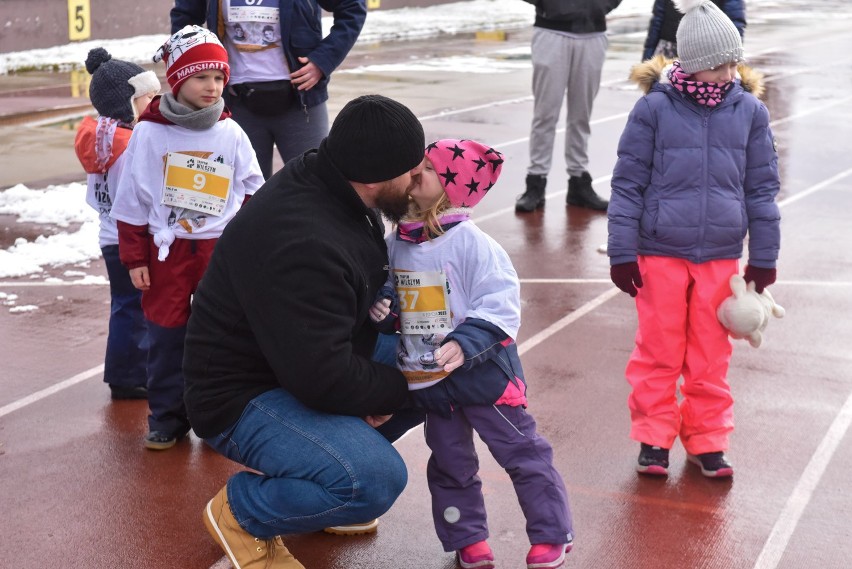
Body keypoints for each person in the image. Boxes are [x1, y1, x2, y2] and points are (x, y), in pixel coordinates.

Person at [183, 94, 427, 569]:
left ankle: (326, 476)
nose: (420, 183)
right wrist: (393, 390)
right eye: (413, 174)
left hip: (298, 360)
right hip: (241, 396)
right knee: (375, 479)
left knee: (436, 369)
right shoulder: (306, 242)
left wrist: (399, 386)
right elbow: (321, 377)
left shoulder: (332, 178)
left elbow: (321, 359)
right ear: (374, 176)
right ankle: (243, 511)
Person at [370, 139, 574, 569]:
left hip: (484, 379)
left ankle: (552, 533)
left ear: (449, 189)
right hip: (430, 380)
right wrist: (382, 306)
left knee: (523, 454)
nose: (414, 172)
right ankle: (468, 540)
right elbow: (396, 301)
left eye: (426, 168)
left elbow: (500, 303)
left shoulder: (472, 244)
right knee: (450, 464)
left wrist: (464, 343)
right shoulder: (398, 243)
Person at [607, 0, 780, 478]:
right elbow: (628, 184)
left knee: (710, 355)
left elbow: (762, 189)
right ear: (689, 64)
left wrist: (763, 258)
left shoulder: (750, 112)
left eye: (732, 62)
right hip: (659, 251)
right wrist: (622, 252)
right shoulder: (653, 110)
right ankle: (653, 438)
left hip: (721, 257)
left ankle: (708, 440)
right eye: (715, 66)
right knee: (658, 350)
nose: (727, 73)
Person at [110, 25, 264, 450]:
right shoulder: (149, 132)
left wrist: (243, 240)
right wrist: (135, 258)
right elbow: (131, 201)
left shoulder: (230, 132)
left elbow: (254, 187)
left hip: (219, 252)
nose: (212, 87)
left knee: (223, 338)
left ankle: (221, 420)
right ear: (177, 79)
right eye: (201, 77)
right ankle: (167, 418)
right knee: (164, 336)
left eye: (219, 78)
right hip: (167, 252)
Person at [170, 0, 367, 180]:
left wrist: (324, 60)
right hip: (236, 102)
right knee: (243, 192)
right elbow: (186, 19)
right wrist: (192, 71)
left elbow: (352, 6)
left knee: (316, 186)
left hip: (301, 99)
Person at [73, 48, 161, 400]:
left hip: (110, 235)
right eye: (147, 98)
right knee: (135, 307)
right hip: (130, 236)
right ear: (125, 103)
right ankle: (128, 377)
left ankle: (126, 372)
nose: (154, 103)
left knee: (125, 305)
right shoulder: (129, 144)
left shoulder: (103, 138)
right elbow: (140, 194)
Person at [515, 0, 622, 213]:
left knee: (581, 115)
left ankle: (578, 182)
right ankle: (535, 181)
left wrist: (600, 6)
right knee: (545, 114)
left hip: (593, 33)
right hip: (551, 32)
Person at [642, 0, 745, 61]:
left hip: (708, 53)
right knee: (661, 92)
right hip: (667, 51)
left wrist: (732, 58)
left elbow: (734, 23)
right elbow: (657, 21)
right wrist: (648, 56)